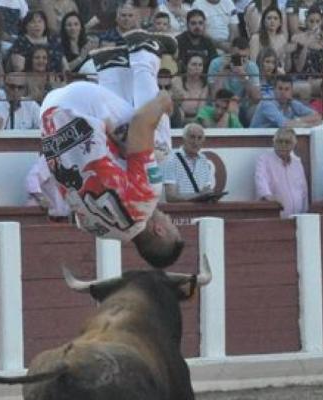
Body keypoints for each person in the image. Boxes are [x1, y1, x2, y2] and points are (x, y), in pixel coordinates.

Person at [40, 32, 184, 268]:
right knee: (126, 151)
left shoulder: (146, 197)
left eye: (171, 225)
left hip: (79, 104)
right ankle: (111, 65)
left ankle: (145, 52)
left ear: (159, 230)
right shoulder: (98, 229)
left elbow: (141, 121)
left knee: (160, 146)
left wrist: (163, 101)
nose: (169, 218)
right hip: (49, 113)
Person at [161, 123, 224, 203]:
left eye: (199, 138)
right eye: (192, 137)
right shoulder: (172, 160)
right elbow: (171, 196)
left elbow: (206, 189)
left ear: (203, 141)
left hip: (200, 212)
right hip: (181, 213)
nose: (196, 142)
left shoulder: (203, 160)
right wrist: (199, 196)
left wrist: (211, 196)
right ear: (184, 139)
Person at [254, 127, 308, 217]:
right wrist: (270, 198)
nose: (283, 145)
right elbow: (261, 181)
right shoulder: (264, 160)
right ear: (274, 143)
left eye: (287, 142)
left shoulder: (297, 162)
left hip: (298, 217)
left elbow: (303, 190)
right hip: (274, 217)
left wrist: (305, 212)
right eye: (279, 141)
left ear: (293, 145)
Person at [250, 74, 321, 128]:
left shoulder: (292, 102)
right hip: (255, 140)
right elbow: (285, 124)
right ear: (274, 89)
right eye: (280, 89)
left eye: (286, 89)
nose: (283, 92)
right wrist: (307, 123)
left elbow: (317, 116)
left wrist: (298, 121)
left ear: (291, 91)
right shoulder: (267, 102)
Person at [25, 154, 71, 221]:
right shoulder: (38, 169)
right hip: (51, 217)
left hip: (67, 214)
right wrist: (45, 205)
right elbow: (32, 186)